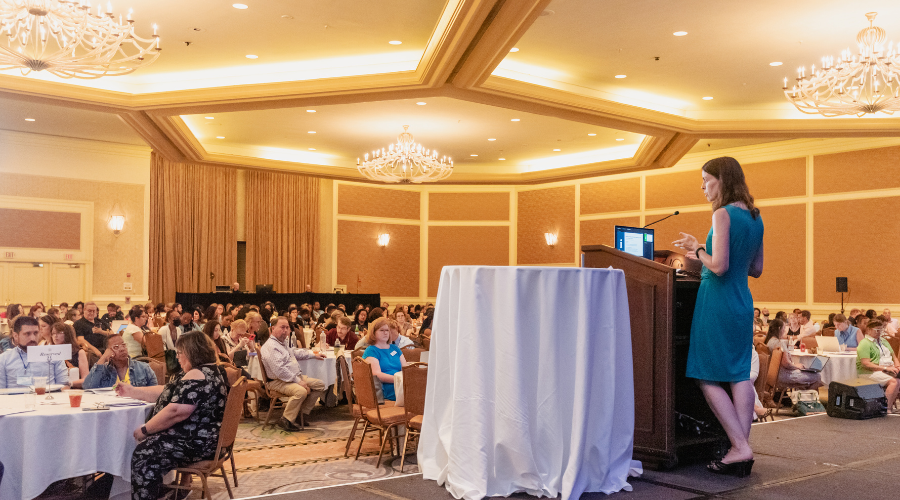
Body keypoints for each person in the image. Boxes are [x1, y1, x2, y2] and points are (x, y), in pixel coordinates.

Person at [672, 156, 764, 476]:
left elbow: (719, 266)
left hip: (717, 301)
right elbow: (756, 268)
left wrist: (697, 249)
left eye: (706, 180)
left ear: (722, 180)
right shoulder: (755, 216)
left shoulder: (722, 214)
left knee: (705, 375)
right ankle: (740, 448)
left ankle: (738, 446)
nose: (703, 187)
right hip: (742, 302)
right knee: (739, 375)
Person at [119, 332, 229, 500]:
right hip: (208, 440)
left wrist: (145, 429)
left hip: (198, 443)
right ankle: (158, 491)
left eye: (179, 352)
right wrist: (133, 392)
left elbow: (176, 412)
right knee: (151, 447)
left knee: (144, 453)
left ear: (192, 352)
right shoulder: (211, 370)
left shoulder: (197, 374)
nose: (177, 357)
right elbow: (168, 392)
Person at [260, 317, 327, 432]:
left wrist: (313, 354)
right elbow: (279, 371)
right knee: (301, 391)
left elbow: (294, 352)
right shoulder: (271, 346)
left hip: (291, 377)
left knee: (320, 384)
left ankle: (301, 414)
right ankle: (286, 419)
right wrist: (298, 381)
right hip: (277, 381)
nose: (285, 330)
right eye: (282, 327)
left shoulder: (282, 342)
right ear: (273, 328)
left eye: (287, 327)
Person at [0, 316, 70, 389]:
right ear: (16, 336)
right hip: (15, 399)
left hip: (46, 398)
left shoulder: (53, 355)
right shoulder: (4, 359)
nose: (33, 338)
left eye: (36, 333)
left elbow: (64, 386)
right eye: (27, 334)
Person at [83, 335, 158, 389]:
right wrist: (103, 358)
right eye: (116, 347)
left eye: (123, 345)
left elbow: (155, 393)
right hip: (111, 408)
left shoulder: (143, 368)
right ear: (108, 351)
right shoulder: (103, 371)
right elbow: (88, 387)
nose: (122, 349)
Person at [856, 320, 900, 413]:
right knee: (894, 382)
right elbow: (866, 363)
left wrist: (897, 365)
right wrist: (885, 368)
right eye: (876, 330)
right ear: (868, 330)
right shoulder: (864, 343)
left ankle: (889, 406)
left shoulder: (883, 341)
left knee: (897, 378)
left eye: (881, 330)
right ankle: (887, 408)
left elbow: (894, 356)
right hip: (869, 372)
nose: (879, 332)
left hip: (886, 369)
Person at [362, 317, 409, 401]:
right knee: (417, 391)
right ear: (373, 332)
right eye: (381, 330)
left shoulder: (395, 348)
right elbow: (377, 375)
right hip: (386, 387)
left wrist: (408, 379)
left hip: (402, 384)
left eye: (387, 330)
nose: (385, 333)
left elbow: (406, 369)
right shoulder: (371, 350)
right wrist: (399, 380)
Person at [51, 322, 90, 388]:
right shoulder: (49, 352)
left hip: (72, 388)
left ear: (67, 334)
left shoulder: (79, 352)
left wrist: (69, 384)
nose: (55, 336)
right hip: (52, 388)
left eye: (59, 332)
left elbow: (86, 379)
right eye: (53, 333)